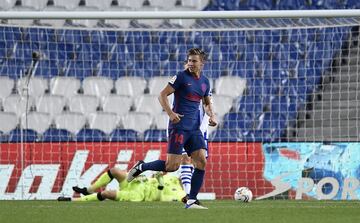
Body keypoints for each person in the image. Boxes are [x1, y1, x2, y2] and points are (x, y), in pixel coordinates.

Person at [127, 48, 217, 209]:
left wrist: (212, 115)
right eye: (189, 60)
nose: (190, 63)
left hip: (194, 129)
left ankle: (191, 200)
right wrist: (170, 113)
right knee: (172, 166)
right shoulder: (181, 77)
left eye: (194, 61)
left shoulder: (205, 81)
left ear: (202, 63)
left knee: (201, 161)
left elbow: (207, 102)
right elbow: (162, 95)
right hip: (179, 127)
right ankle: (141, 167)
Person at [57, 167, 185, 202]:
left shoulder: (181, 193)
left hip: (138, 194)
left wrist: (159, 183)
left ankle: (73, 200)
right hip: (137, 183)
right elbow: (153, 177)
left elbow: (160, 197)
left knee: (107, 193)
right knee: (114, 171)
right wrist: (142, 177)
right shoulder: (172, 176)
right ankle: (88, 190)